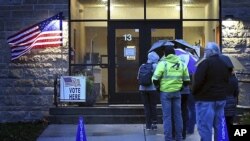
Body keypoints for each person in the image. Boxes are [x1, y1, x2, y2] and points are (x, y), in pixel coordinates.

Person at [192, 42, 231, 141]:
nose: (205, 52)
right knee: (219, 126)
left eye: (206, 50)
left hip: (206, 100)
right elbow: (227, 80)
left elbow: (198, 81)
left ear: (212, 51)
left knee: (205, 127)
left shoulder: (205, 63)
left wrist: (194, 93)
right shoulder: (225, 64)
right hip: (221, 99)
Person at [152, 44, 190, 141]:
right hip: (177, 93)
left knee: (167, 116)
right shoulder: (182, 64)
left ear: (165, 54)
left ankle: (168, 138)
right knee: (178, 115)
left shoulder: (163, 63)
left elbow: (155, 79)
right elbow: (187, 81)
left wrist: (158, 88)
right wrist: (180, 88)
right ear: (174, 53)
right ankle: (179, 137)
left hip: (165, 93)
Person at [138, 51, 159, 130]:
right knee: (153, 106)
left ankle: (148, 125)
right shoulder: (156, 66)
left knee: (146, 107)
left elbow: (138, 77)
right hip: (152, 89)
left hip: (142, 89)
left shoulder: (142, 66)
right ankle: (154, 123)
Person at [224, 70, 239, 138]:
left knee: (223, 121)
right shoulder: (234, 79)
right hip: (232, 101)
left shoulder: (222, 79)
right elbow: (236, 92)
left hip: (223, 101)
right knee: (230, 120)